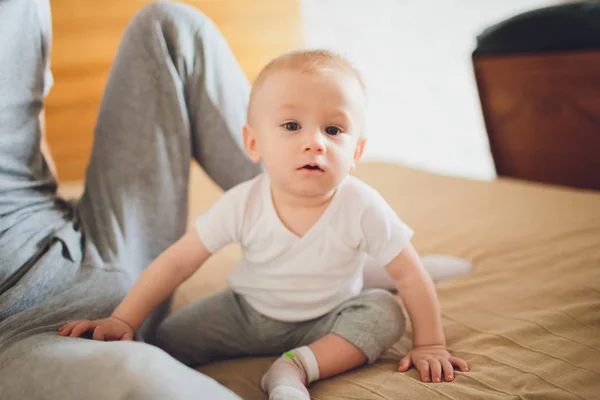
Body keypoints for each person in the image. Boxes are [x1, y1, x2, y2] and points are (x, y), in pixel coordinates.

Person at [59, 48, 470, 400]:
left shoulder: (362, 205)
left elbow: (412, 275)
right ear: (254, 143)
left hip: (329, 314)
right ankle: (371, 272)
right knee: (166, 338)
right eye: (292, 126)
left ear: (357, 151)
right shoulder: (244, 202)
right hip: (246, 313)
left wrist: (430, 343)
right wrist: (125, 320)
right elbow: (178, 262)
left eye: (334, 129)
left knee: (385, 312)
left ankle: (293, 369)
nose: (315, 142)